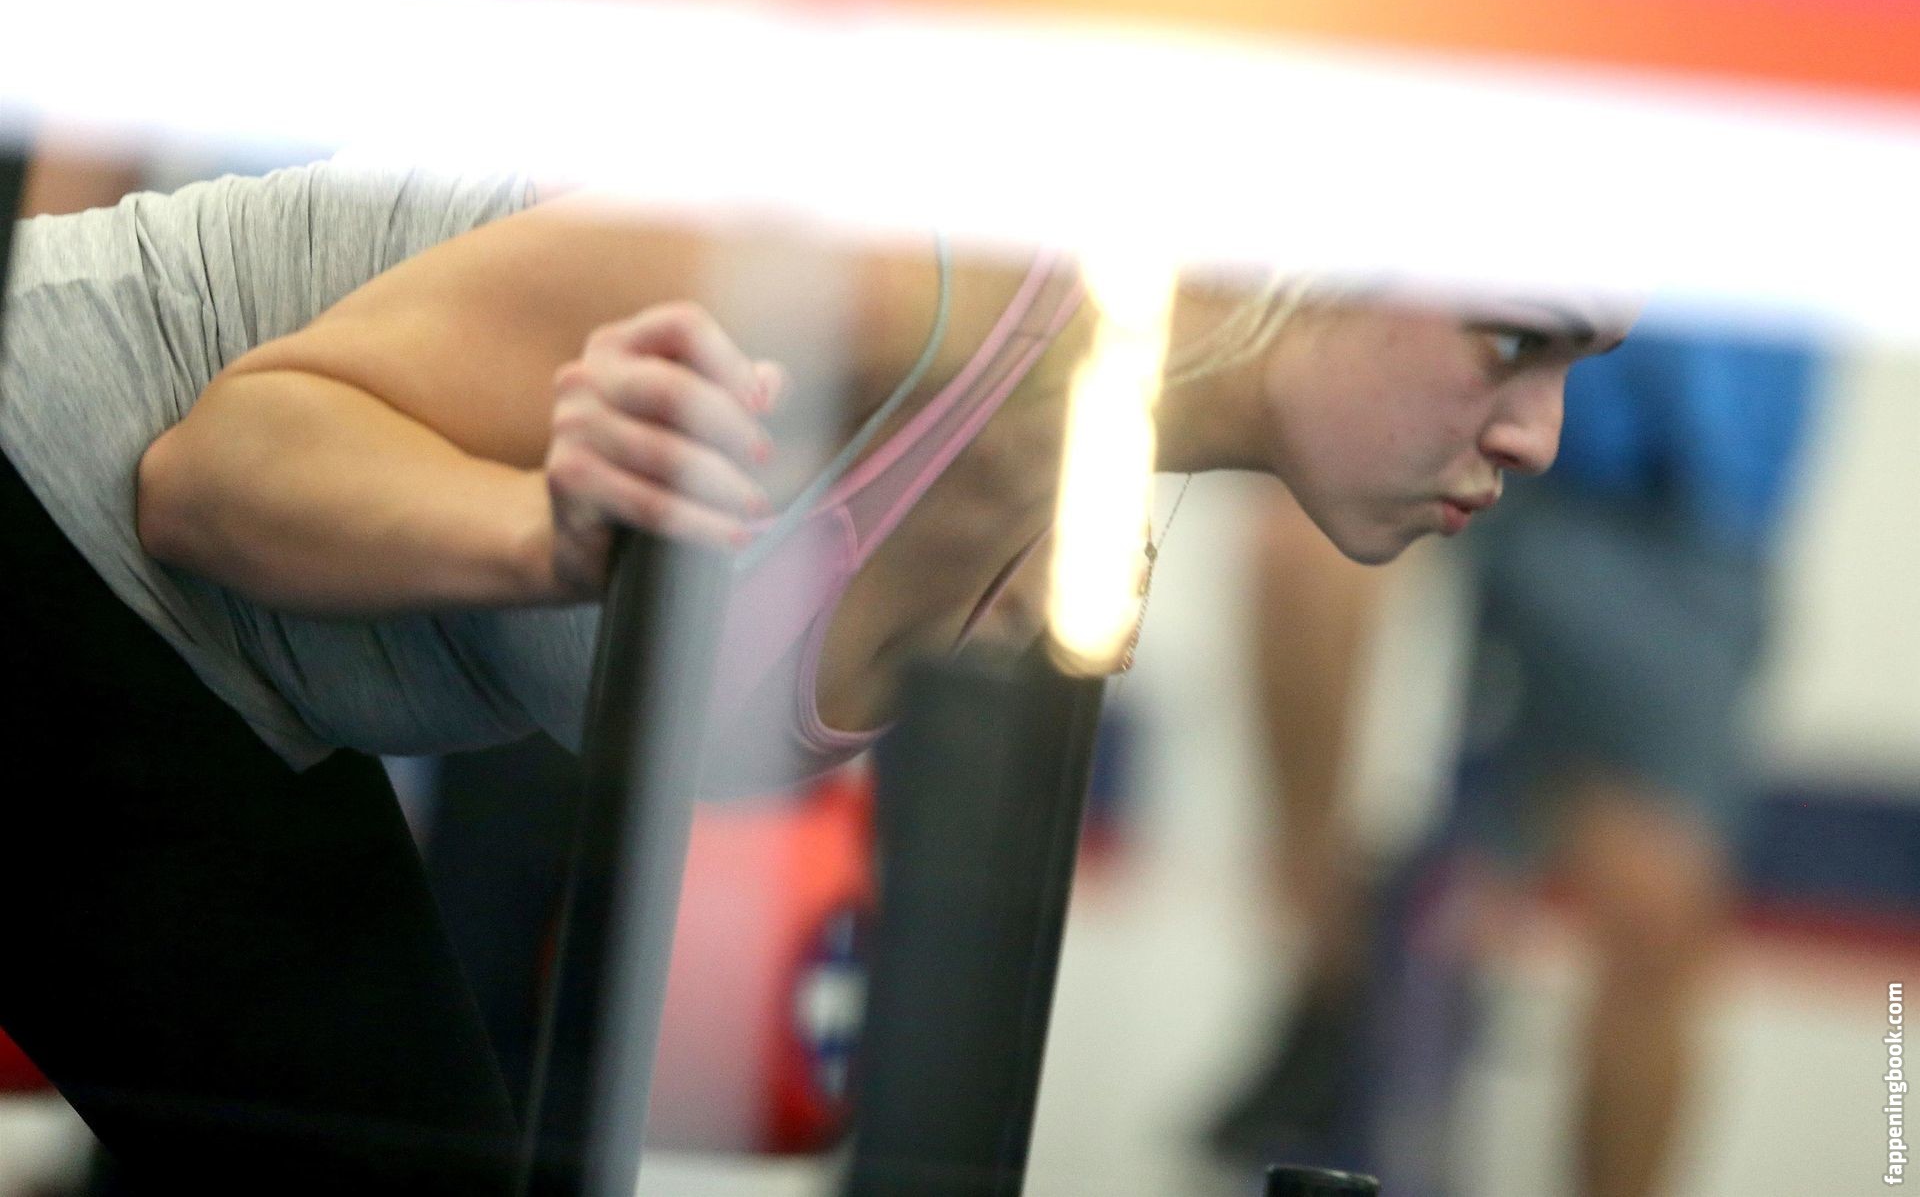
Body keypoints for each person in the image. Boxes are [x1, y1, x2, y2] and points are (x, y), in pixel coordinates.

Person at [0, 157, 1630, 1191]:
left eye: (1581, 367)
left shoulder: (1077, 493)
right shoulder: (901, 274)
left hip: (229, 689)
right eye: (1513, 341)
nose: (1541, 435)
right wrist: (543, 536)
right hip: (49, 498)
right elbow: (210, 471)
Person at [1207, 319, 1824, 1197]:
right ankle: (1328, 970)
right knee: (1297, 555)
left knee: (1654, 903)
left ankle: (1342, 992)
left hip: (1674, 496)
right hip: (1471, 387)